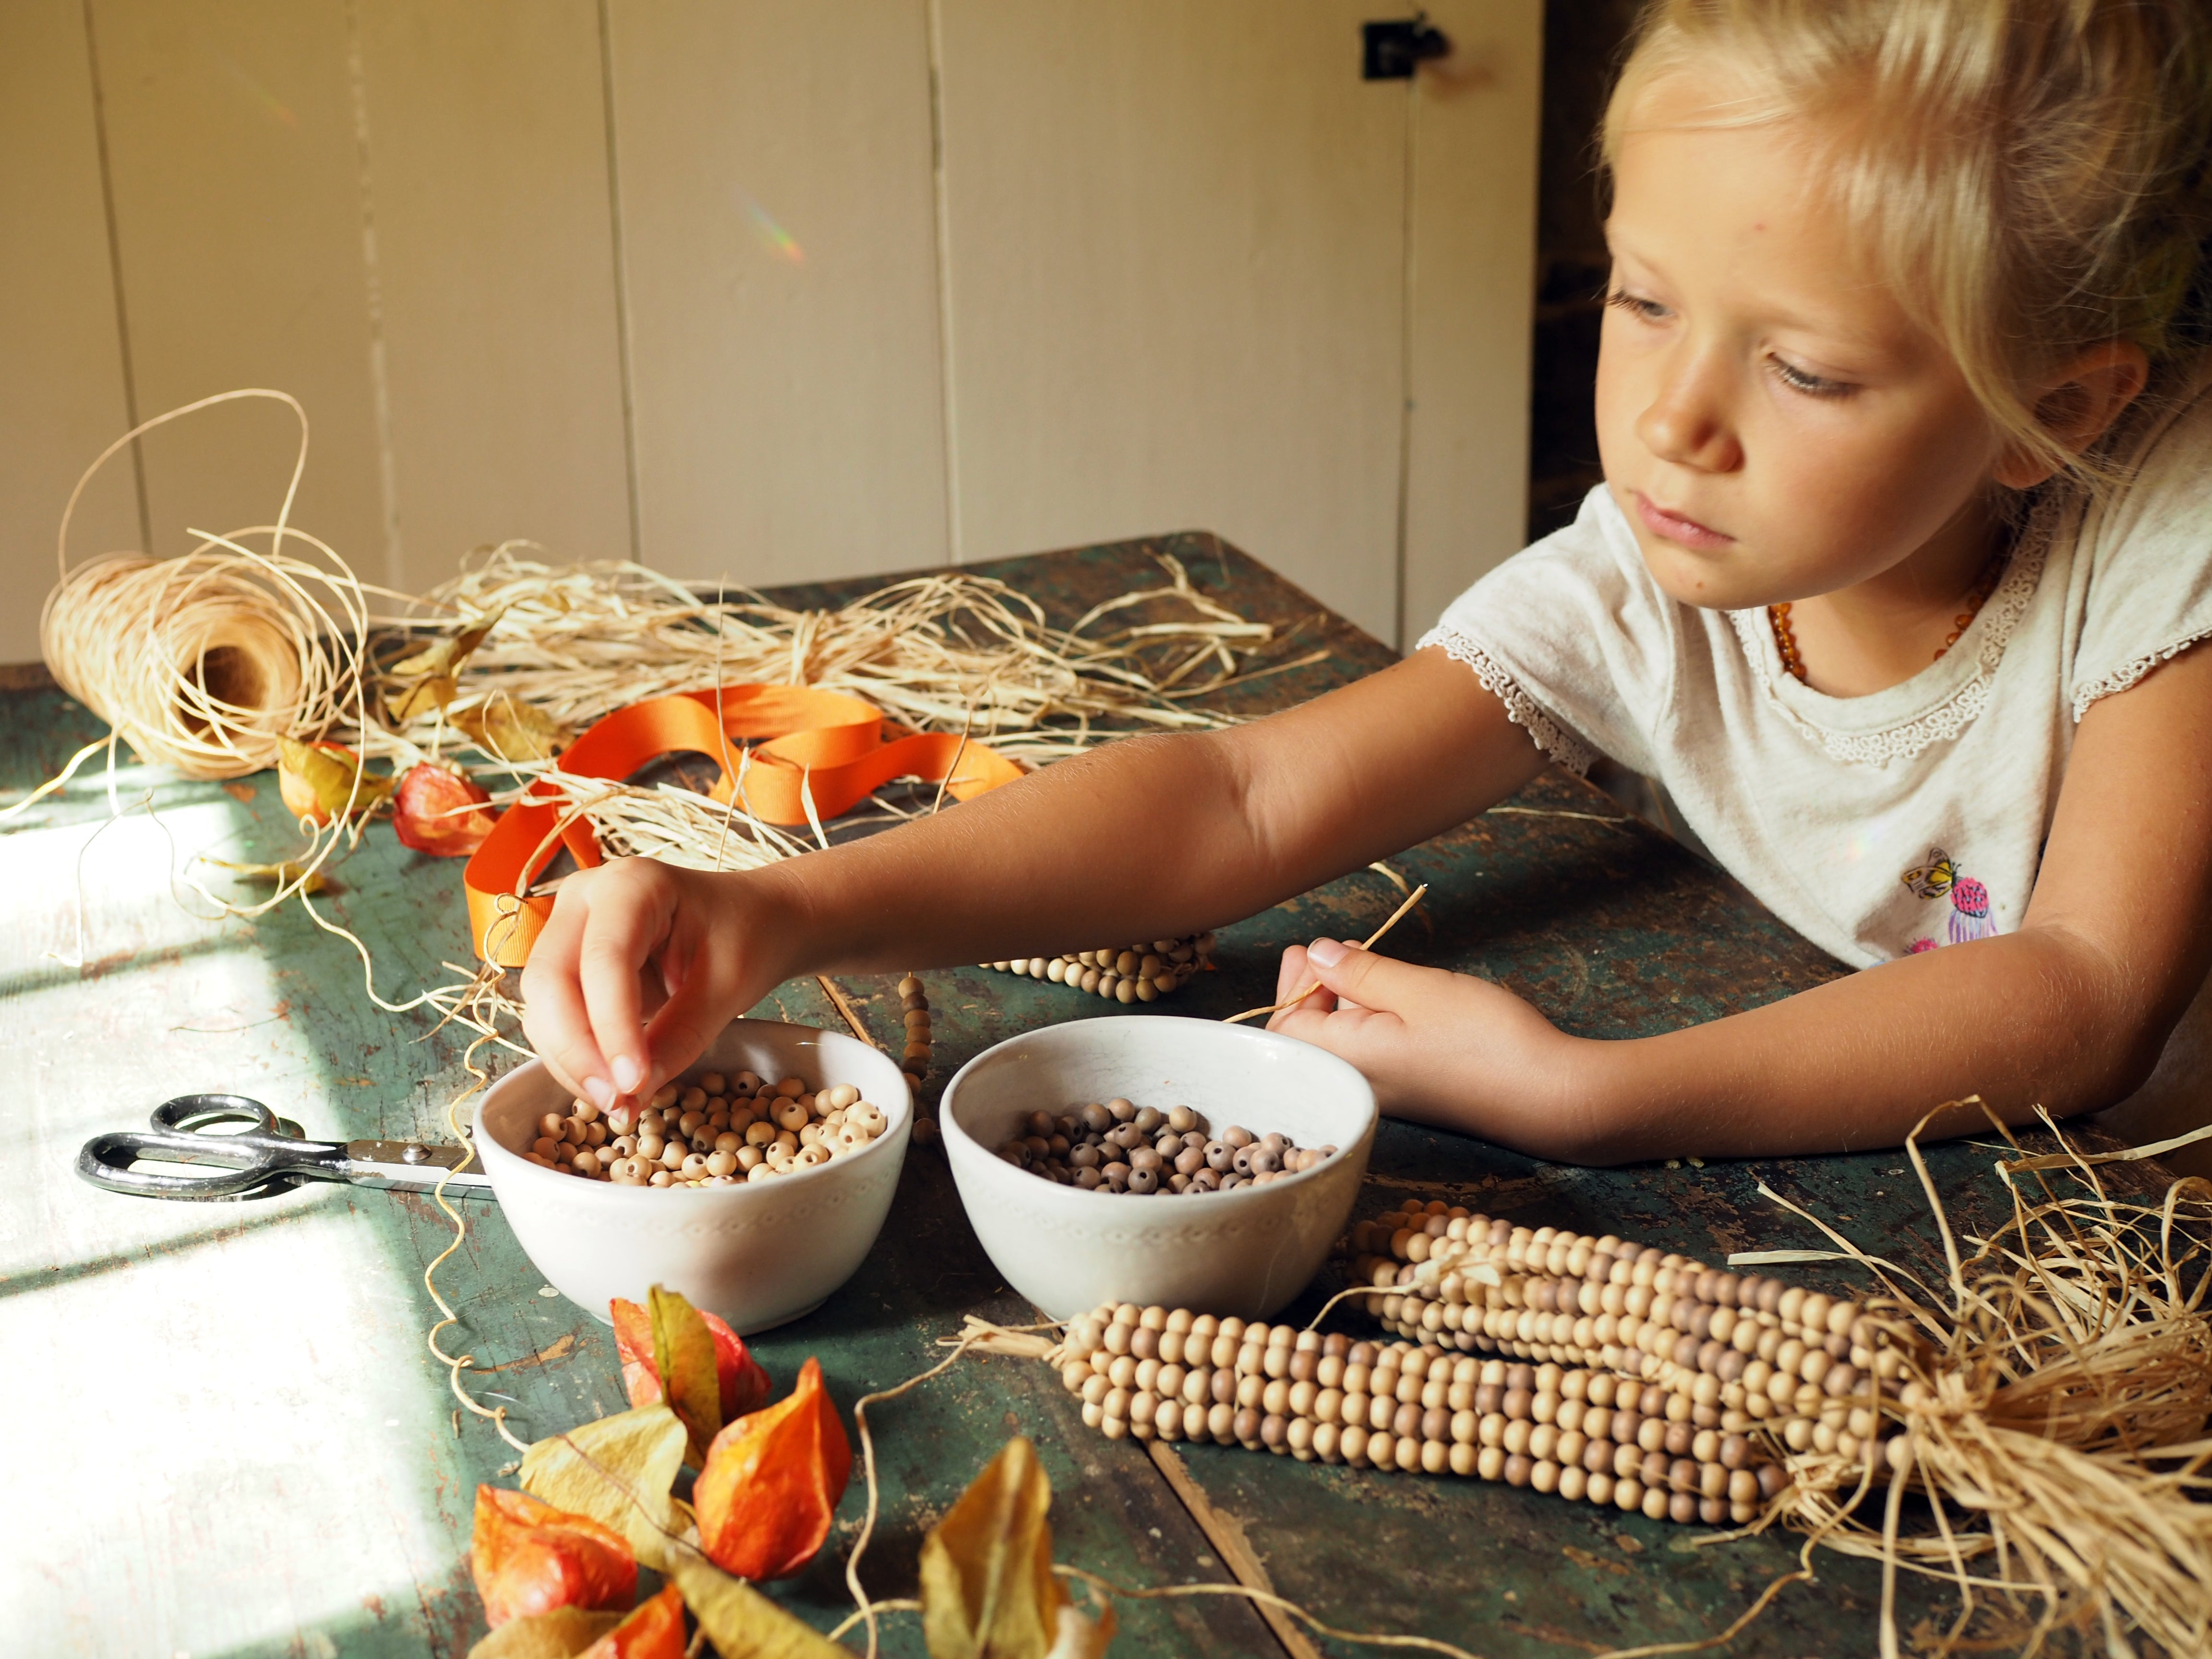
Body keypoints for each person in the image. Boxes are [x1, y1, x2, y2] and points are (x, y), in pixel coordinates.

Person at [522, 0, 2212, 1165]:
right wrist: (786, 911)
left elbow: (2081, 997)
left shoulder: (2160, 543)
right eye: (1640, 300)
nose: (1671, 423)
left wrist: (1584, 1096)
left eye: (1812, 375)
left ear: (2047, 417)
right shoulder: (1648, 585)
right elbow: (1243, 796)